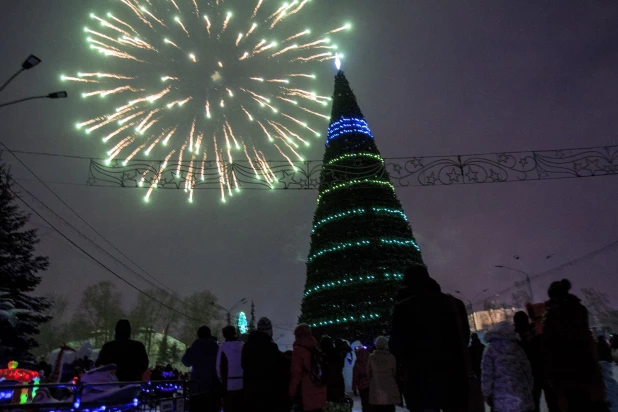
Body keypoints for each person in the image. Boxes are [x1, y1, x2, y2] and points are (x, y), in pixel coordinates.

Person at [390, 265, 470, 412]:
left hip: (420, 383)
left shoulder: (403, 309)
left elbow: (395, 346)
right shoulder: (455, 304)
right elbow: (464, 338)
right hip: (454, 380)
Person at [542, 279, 607, 411]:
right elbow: (588, 346)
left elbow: (551, 354)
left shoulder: (552, 318)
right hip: (588, 375)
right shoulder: (580, 310)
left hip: (567, 380)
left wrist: (557, 390)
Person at [481, 321, 534, 412]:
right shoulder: (517, 349)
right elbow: (527, 370)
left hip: (501, 400)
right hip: (521, 398)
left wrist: (487, 393)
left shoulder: (490, 350)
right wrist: (528, 389)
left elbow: (487, 375)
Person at [242, 317, 287, 412]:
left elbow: (244, 366)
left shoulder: (247, 347)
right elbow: (278, 370)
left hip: (251, 394)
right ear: (270, 331)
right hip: (269, 396)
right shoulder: (272, 348)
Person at [181, 325, 221, 412]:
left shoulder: (195, 346)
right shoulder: (216, 348)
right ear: (209, 335)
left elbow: (185, 361)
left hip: (197, 386)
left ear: (198, 335)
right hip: (213, 385)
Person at [289, 323, 327, 412]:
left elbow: (296, 375)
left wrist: (291, 393)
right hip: (320, 391)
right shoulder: (316, 348)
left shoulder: (298, 351)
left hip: (306, 395)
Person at [514, 311, 547, 412]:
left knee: (532, 406)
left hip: (529, 378)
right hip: (542, 373)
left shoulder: (517, 340)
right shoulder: (538, 335)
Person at [368, 336, 401, 412]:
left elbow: (368, 371)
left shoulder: (371, 357)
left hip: (376, 384)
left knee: (378, 407)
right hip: (389, 384)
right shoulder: (391, 357)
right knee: (389, 406)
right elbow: (394, 371)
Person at [217, 325, 245, 412]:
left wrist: (221, 379)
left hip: (228, 384)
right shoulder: (243, 346)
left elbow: (218, 366)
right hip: (242, 384)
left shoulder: (223, 347)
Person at [320, 335, 346, 402]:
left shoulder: (322, 355)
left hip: (327, 381)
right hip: (338, 379)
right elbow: (341, 365)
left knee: (330, 401)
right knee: (338, 401)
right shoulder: (337, 352)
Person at [352, 346, 371, 411]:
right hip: (370, 384)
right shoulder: (369, 362)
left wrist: (354, 388)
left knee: (364, 401)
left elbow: (355, 377)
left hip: (361, 385)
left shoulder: (357, 364)